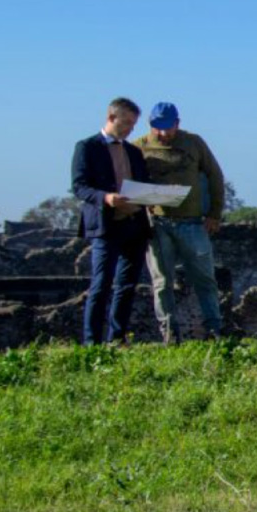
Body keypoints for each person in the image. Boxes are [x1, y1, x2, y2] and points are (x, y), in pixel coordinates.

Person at [134, 101, 228, 342]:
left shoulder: (193, 143)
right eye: (158, 127)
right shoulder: (138, 148)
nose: (164, 133)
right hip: (157, 223)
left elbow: (214, 175)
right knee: (162, 281)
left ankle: (214, 328)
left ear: (178, 123)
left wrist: (214, 214)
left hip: (192, 222)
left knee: (205, 278)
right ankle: (169, 331)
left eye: (169, 127)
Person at [71, 97, 152, 345]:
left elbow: (143, 184)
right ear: (111, 118)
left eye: (133, 124)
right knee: (101, 285)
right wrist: (105, 197)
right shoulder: (87, 147)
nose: (130, 129)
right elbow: (79, 187)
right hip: (107, 226)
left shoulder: (134, 152)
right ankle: (91, 342)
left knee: (127, 286)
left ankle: (117, 338)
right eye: (126, 122)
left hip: (135, 225)